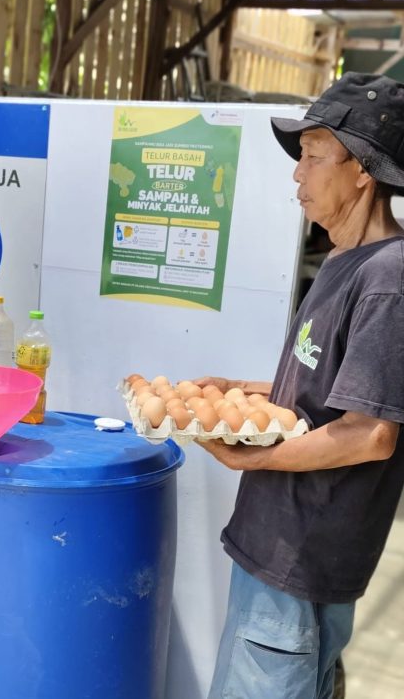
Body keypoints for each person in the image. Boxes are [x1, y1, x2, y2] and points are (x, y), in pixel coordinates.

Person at [197, 72, 404, 699]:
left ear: (361, 169)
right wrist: (245, 388)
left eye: (314, 156)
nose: (297, 173)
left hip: (304, 558)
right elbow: (331, 388)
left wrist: (249, 456)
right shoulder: (345, 259)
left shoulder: (388, 279)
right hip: (278, 547)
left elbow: (370, 432)